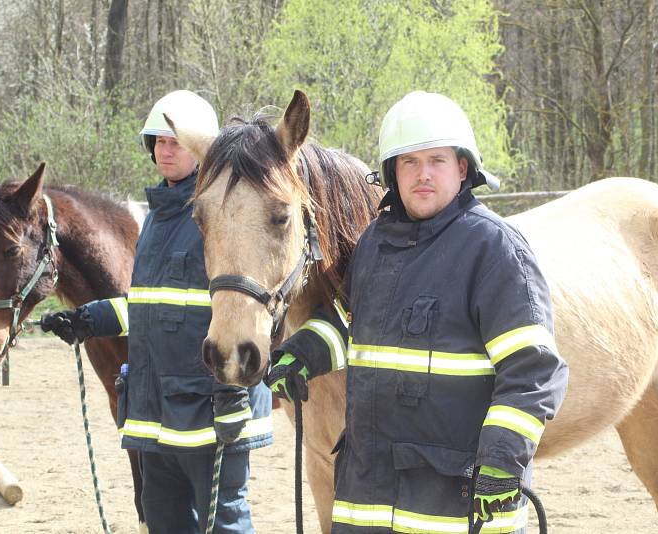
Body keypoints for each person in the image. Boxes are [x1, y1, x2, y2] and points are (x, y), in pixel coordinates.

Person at [266, 91, 568, 533]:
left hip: (455, 509)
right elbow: (351, 324)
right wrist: (305, 351)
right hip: (366, 505)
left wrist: (504, 459)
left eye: (437, 161)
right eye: (409, 162)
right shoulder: (373, 245)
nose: (422, 174)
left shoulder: (495, 251)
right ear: (391, 172)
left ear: (462, 168)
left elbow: (533, 371)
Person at [41, 89, 273, 534]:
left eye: (176, 142)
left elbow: (244, 309)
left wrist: (234, 393)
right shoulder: (156, 218)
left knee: (222, 521)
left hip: (210, 408)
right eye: (159, 142)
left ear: (203, 149)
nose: (166, 151)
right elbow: (152, 307)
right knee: (165, 521)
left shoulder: (222, 215)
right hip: (155, 407)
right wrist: (89, 319)